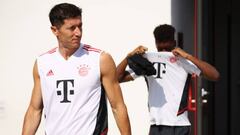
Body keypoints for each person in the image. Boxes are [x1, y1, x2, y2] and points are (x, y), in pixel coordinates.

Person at [22, 3, 131, 135]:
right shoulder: (42, 62)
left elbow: (118, 106)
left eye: (80, 26)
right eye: (72, 28)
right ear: (55, 30)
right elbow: (34, 110)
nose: (78, 33)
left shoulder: (100, 59)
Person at [117, 24, 220, 135]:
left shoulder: (181, 60)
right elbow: (116, 78)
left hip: (175, 126)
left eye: (166, 47)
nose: (164, 50)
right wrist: (130, 56)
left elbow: (215, 75)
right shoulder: (148, 61)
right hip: (162, 126)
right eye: (162, 47)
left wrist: (188, 56)